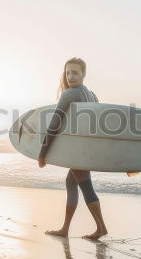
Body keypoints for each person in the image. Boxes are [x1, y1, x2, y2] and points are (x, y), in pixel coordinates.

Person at [38, 57, 109, 239]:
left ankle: (101, 228)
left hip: (78, 151)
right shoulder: (92, 95)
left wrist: (43, 152)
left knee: (86, 187)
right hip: (86, 148)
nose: (70, 76)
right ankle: (66, 228)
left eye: (75, 72)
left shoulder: (69, 94)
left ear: (83, 74)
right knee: (71, 182)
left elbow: (55, 123)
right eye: (67, 72)